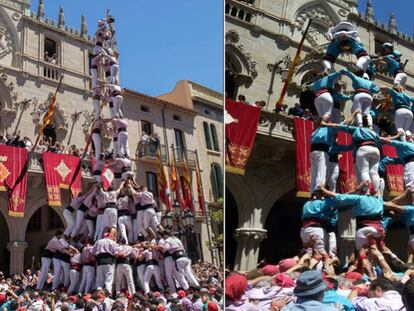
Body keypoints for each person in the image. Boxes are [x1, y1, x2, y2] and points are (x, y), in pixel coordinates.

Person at [92, 231, 117, 295]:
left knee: (99, 281)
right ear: (109, 236)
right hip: (109, 261)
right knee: (108, 281)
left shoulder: (98, 241)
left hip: (100, 262)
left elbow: (93, 251)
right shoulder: (112, 242)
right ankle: (107, 295)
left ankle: (98, 295)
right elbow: (115, 252)